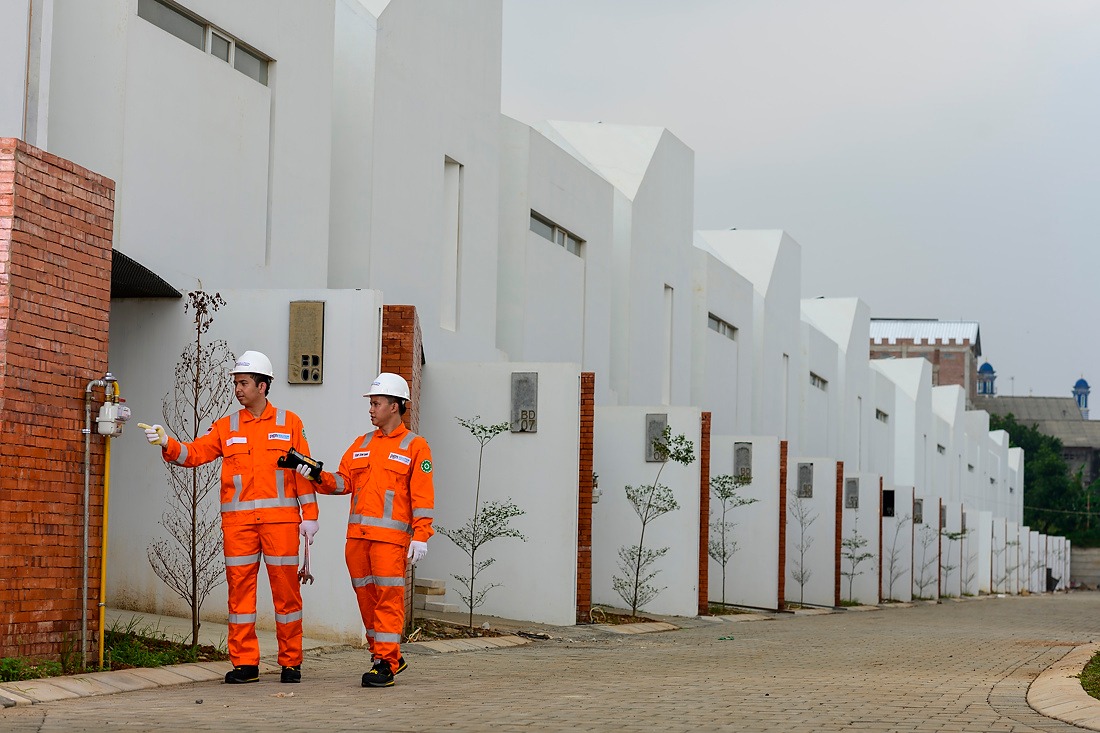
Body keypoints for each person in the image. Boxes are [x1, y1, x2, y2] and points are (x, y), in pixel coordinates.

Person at [141, 350, 320, 685]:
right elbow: (194, 454)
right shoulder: (226, 426)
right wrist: (167, 442)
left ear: (263, 386)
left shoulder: (290, 423)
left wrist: (310, 516)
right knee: (240, 595)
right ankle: (245, 664)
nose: (238, 389)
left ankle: (291, 662)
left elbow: (303, 473)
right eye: (236, 383)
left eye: (244, 383)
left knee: (287, 594)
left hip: (281, 523)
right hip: (239, 526)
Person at [305, 372, 434, 688]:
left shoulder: (415, 447)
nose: (371, 409)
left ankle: (386, 663)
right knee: (367, 600)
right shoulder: (361, 444)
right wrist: (315, 474)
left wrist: (421, 534)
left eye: (376, 403)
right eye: (371, 403)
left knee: (388, 600)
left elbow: (423, 496)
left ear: (395, 405)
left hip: (390, 541)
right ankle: (385, 655)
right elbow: (343, 482)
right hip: (358, 540)